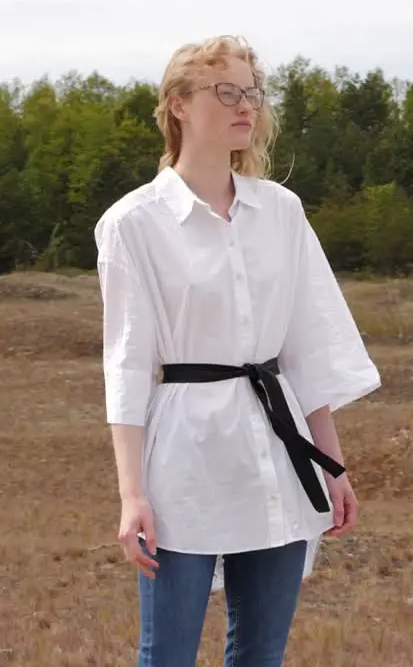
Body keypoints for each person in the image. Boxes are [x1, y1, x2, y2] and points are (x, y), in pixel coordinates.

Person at [93, 34, 382, 666]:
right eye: (226, 91)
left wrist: (332, 464)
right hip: (183, 463)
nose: (245, 105)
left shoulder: (281, 211)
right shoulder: (133, 223)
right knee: (166, 655)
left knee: (260, 656)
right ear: (178, 104)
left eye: (251, 92)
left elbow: (308, 344)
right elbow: (128, 365)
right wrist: (131, 495)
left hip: (276, 456)